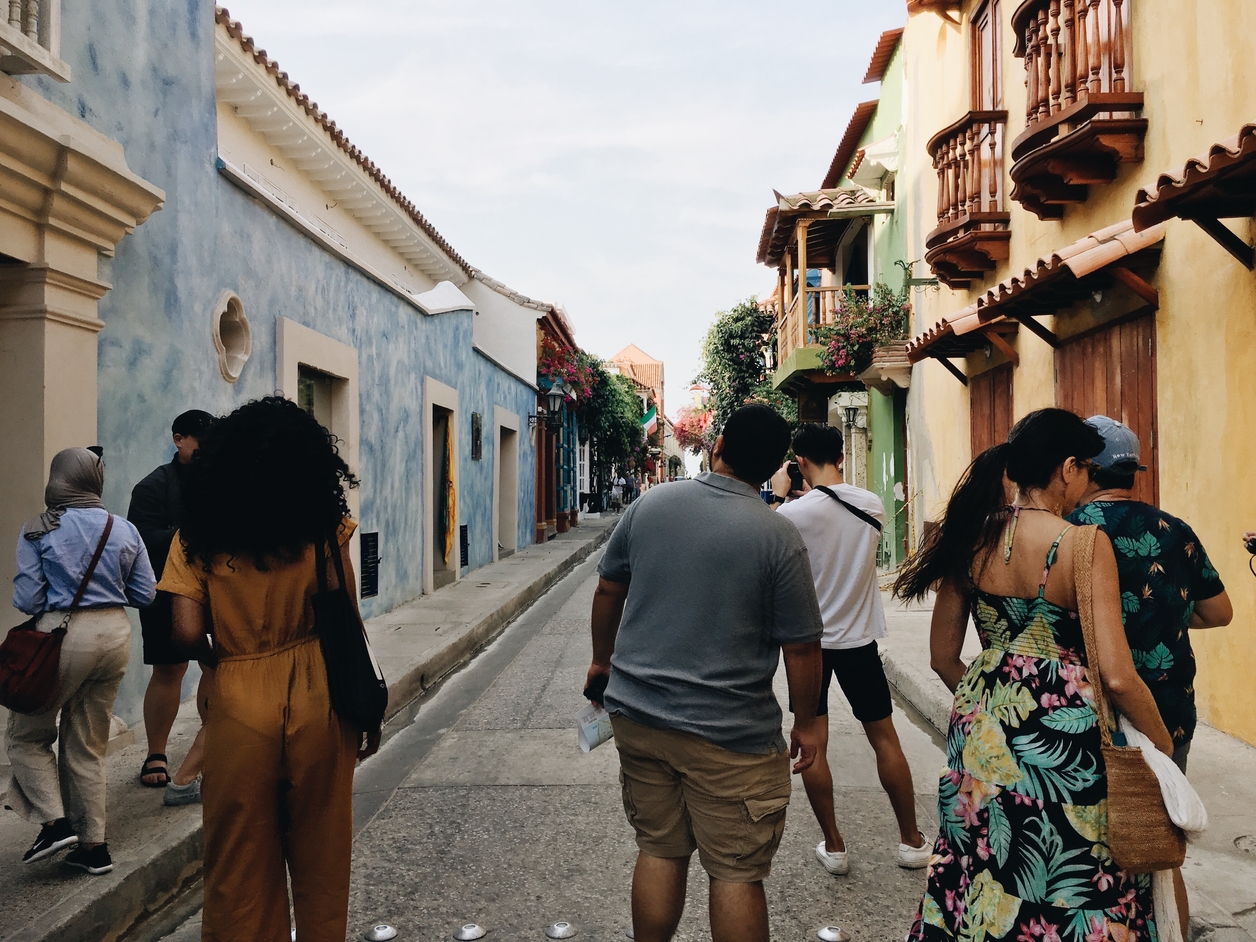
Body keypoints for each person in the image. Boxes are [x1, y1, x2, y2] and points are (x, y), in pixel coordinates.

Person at [893, 409, 1174, 942]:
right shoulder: (1083, 545)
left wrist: (993, 713)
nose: (1090, 483)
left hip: (980, 738)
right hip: (1067, 746)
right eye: (1088, 469)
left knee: (982, 867)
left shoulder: (973, 537)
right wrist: (1157, 749)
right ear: (1067, 467)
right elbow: (1116, 675)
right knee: (1072, 879)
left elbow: (942, 657)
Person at [586, 403, 824, 942]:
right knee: (736, 872)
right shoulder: (777, 535)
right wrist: (805, 723)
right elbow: (803, 647)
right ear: (773, 469)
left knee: (659, 850)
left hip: (640, 718)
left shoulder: (651, 505)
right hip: (730, 736)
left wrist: (602, 660)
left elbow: (608, 588)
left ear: (717, 447)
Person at [158, 397, 378, 942]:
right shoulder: (325, 529)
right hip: (319, 692)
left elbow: (184, 633)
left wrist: (222, 656)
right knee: (322, 850)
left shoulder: (194, 539)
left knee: (238, 859)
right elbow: (346, 618)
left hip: (236, 698)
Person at [769, 424, 930, 874]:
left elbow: (775, 536)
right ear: (840, 454)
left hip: (810, 648)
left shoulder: (792, 515)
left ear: (799, 462)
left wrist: (783, 494)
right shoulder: (872, 505)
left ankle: (835, 846)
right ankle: (912, 841)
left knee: (813, 744)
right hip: (859, 641)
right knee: (885, 739)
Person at [9, 448, 157, 876]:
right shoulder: (123, 528)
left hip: (62, 634)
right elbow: (145, 594)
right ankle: (94, 848)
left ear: (58, 479)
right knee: (88, 746)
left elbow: (27, 600)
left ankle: (54, 825)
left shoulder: (39, 529)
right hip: (115, 633)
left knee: (27, 735)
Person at [1067, 415, 1232, 773]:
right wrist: (1158, 613)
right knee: (1161, 822)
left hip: (1086, 713)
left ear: (1086, 470)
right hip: (1169, 709)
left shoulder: (1067, 531)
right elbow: (1219, 613)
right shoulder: (1174, 530)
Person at [127, 409, 215, 802]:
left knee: (216, 664)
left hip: (218, 589)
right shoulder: (151, 487)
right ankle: (155, 754)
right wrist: (192, 535)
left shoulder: (223, 481)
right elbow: (142, 541)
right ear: (178, 439)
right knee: (168, 669)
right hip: (165, 592)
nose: (206, 449)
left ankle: (210, 746)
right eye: (199, 441)